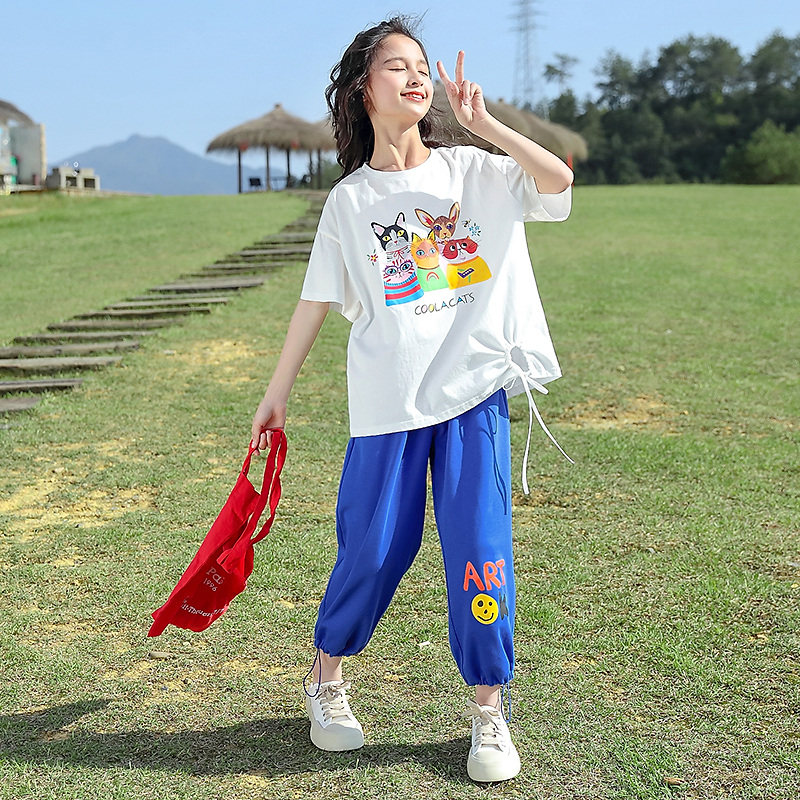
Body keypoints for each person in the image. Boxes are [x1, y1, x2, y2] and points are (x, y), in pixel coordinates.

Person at [251, 16, 573, 783]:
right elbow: (316, 298)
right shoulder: (350, 202)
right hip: (388, 404)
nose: (416, 76)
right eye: (397, 65)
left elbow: (557, 182)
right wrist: (276, 391)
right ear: (363, 89)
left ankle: (488, 711)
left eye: (421, 66)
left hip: (474, 399)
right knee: (372, 550)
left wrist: (488, 127)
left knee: (481, 556)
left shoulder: (476, 171)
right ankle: (325, 678)